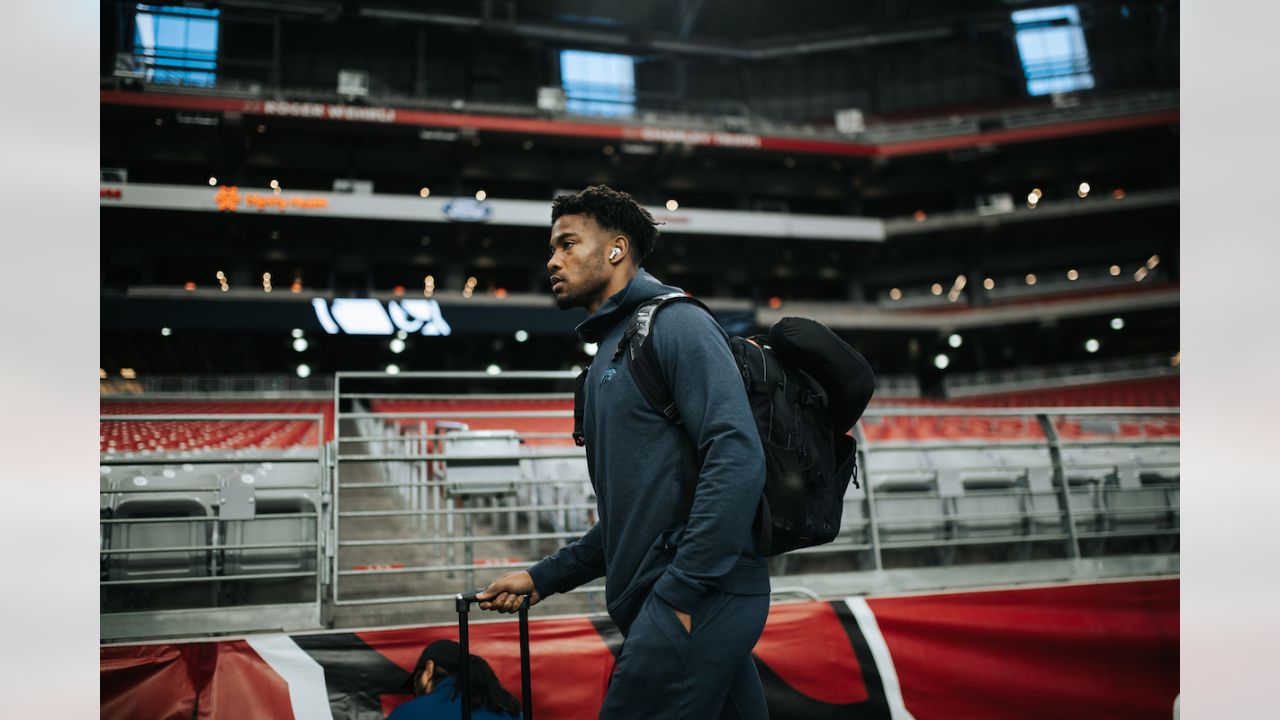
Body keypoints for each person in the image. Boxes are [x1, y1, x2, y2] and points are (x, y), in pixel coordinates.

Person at [476, 185, 770, 719]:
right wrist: (545, 577)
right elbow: (628, 514)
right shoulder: (605, 359)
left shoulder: (678, 324)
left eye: (568, 244)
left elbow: (737, 457)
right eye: (552, 248)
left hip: (695, 598)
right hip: (672, 601)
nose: (552, 260)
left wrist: (681, 593)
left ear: (615, 250)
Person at [388, 639, 521, 720]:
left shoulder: (407, 714)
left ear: (429, 669)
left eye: (416, 681)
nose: (415, 691)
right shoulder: (510, 711)